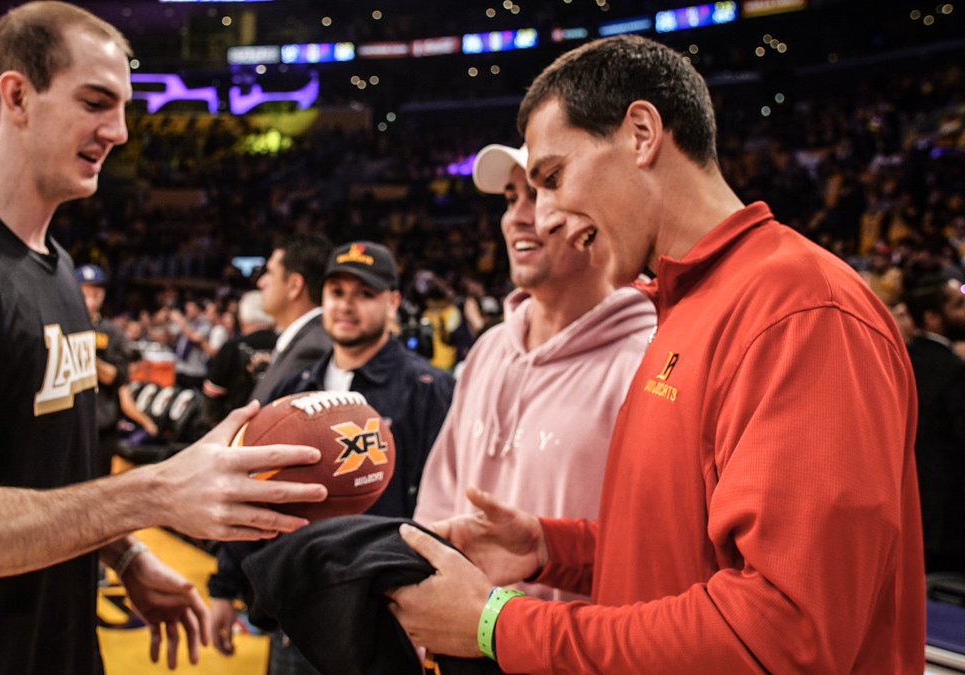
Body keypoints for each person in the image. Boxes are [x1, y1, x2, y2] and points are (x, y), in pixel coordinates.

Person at [390, 35, 924, 673]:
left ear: (641, 134)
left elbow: (787, 635)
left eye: (553, 178)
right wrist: (553, 549)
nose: (546, 218)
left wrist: (501, 625)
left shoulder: (802, 311)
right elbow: (684, 555)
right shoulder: (683, 304)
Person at [0, 4, 326, 674]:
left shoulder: (59, 267)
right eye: (96, 103)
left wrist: (123, 551)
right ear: (17, 96)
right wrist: (152, 493)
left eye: (123, 108)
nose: (119, 131)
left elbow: (42, 472)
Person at [413, 143, 655, 601]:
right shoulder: (488, 349)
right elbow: (438, 503)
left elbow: (659, 551)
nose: (517, 218)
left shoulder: (648, 362)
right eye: (511, 199)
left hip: (581, 640)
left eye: (542, 195)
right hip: (461, 636)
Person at [209, 241, 454, 674]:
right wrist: (224, 586)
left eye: (365, 293)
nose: (346, 305)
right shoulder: (295, 387)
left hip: (385, 618)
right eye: (337, 292)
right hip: (298, 611)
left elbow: (444, 506)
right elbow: (256, 488)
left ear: (393, 302)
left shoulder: (429, 390)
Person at [903, 275, 965, 574]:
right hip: (947, 514)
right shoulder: (953, 370)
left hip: (906, 503)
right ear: (932, 318)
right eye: (958, 305)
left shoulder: (901, 358)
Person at [77, 263, 157, 473]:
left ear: (103, 295)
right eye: (84, 292)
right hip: (70, 423)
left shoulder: (112, 332)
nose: (90, 299)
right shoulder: (62, 324)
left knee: (99, 479)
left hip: (102, 424)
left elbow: (115, 377)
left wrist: (82, 351)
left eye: (95, 293)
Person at [249, 233, 333, 403]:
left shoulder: (312, 349)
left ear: (294, 285)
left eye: (270, 272)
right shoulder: (305, 340)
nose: (261, 282)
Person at [201, 289, 277, 427]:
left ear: (242, 317)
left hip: (237, 428)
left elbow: (212, 397)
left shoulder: (232, 348)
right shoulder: (287, 346)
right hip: (278, 427)